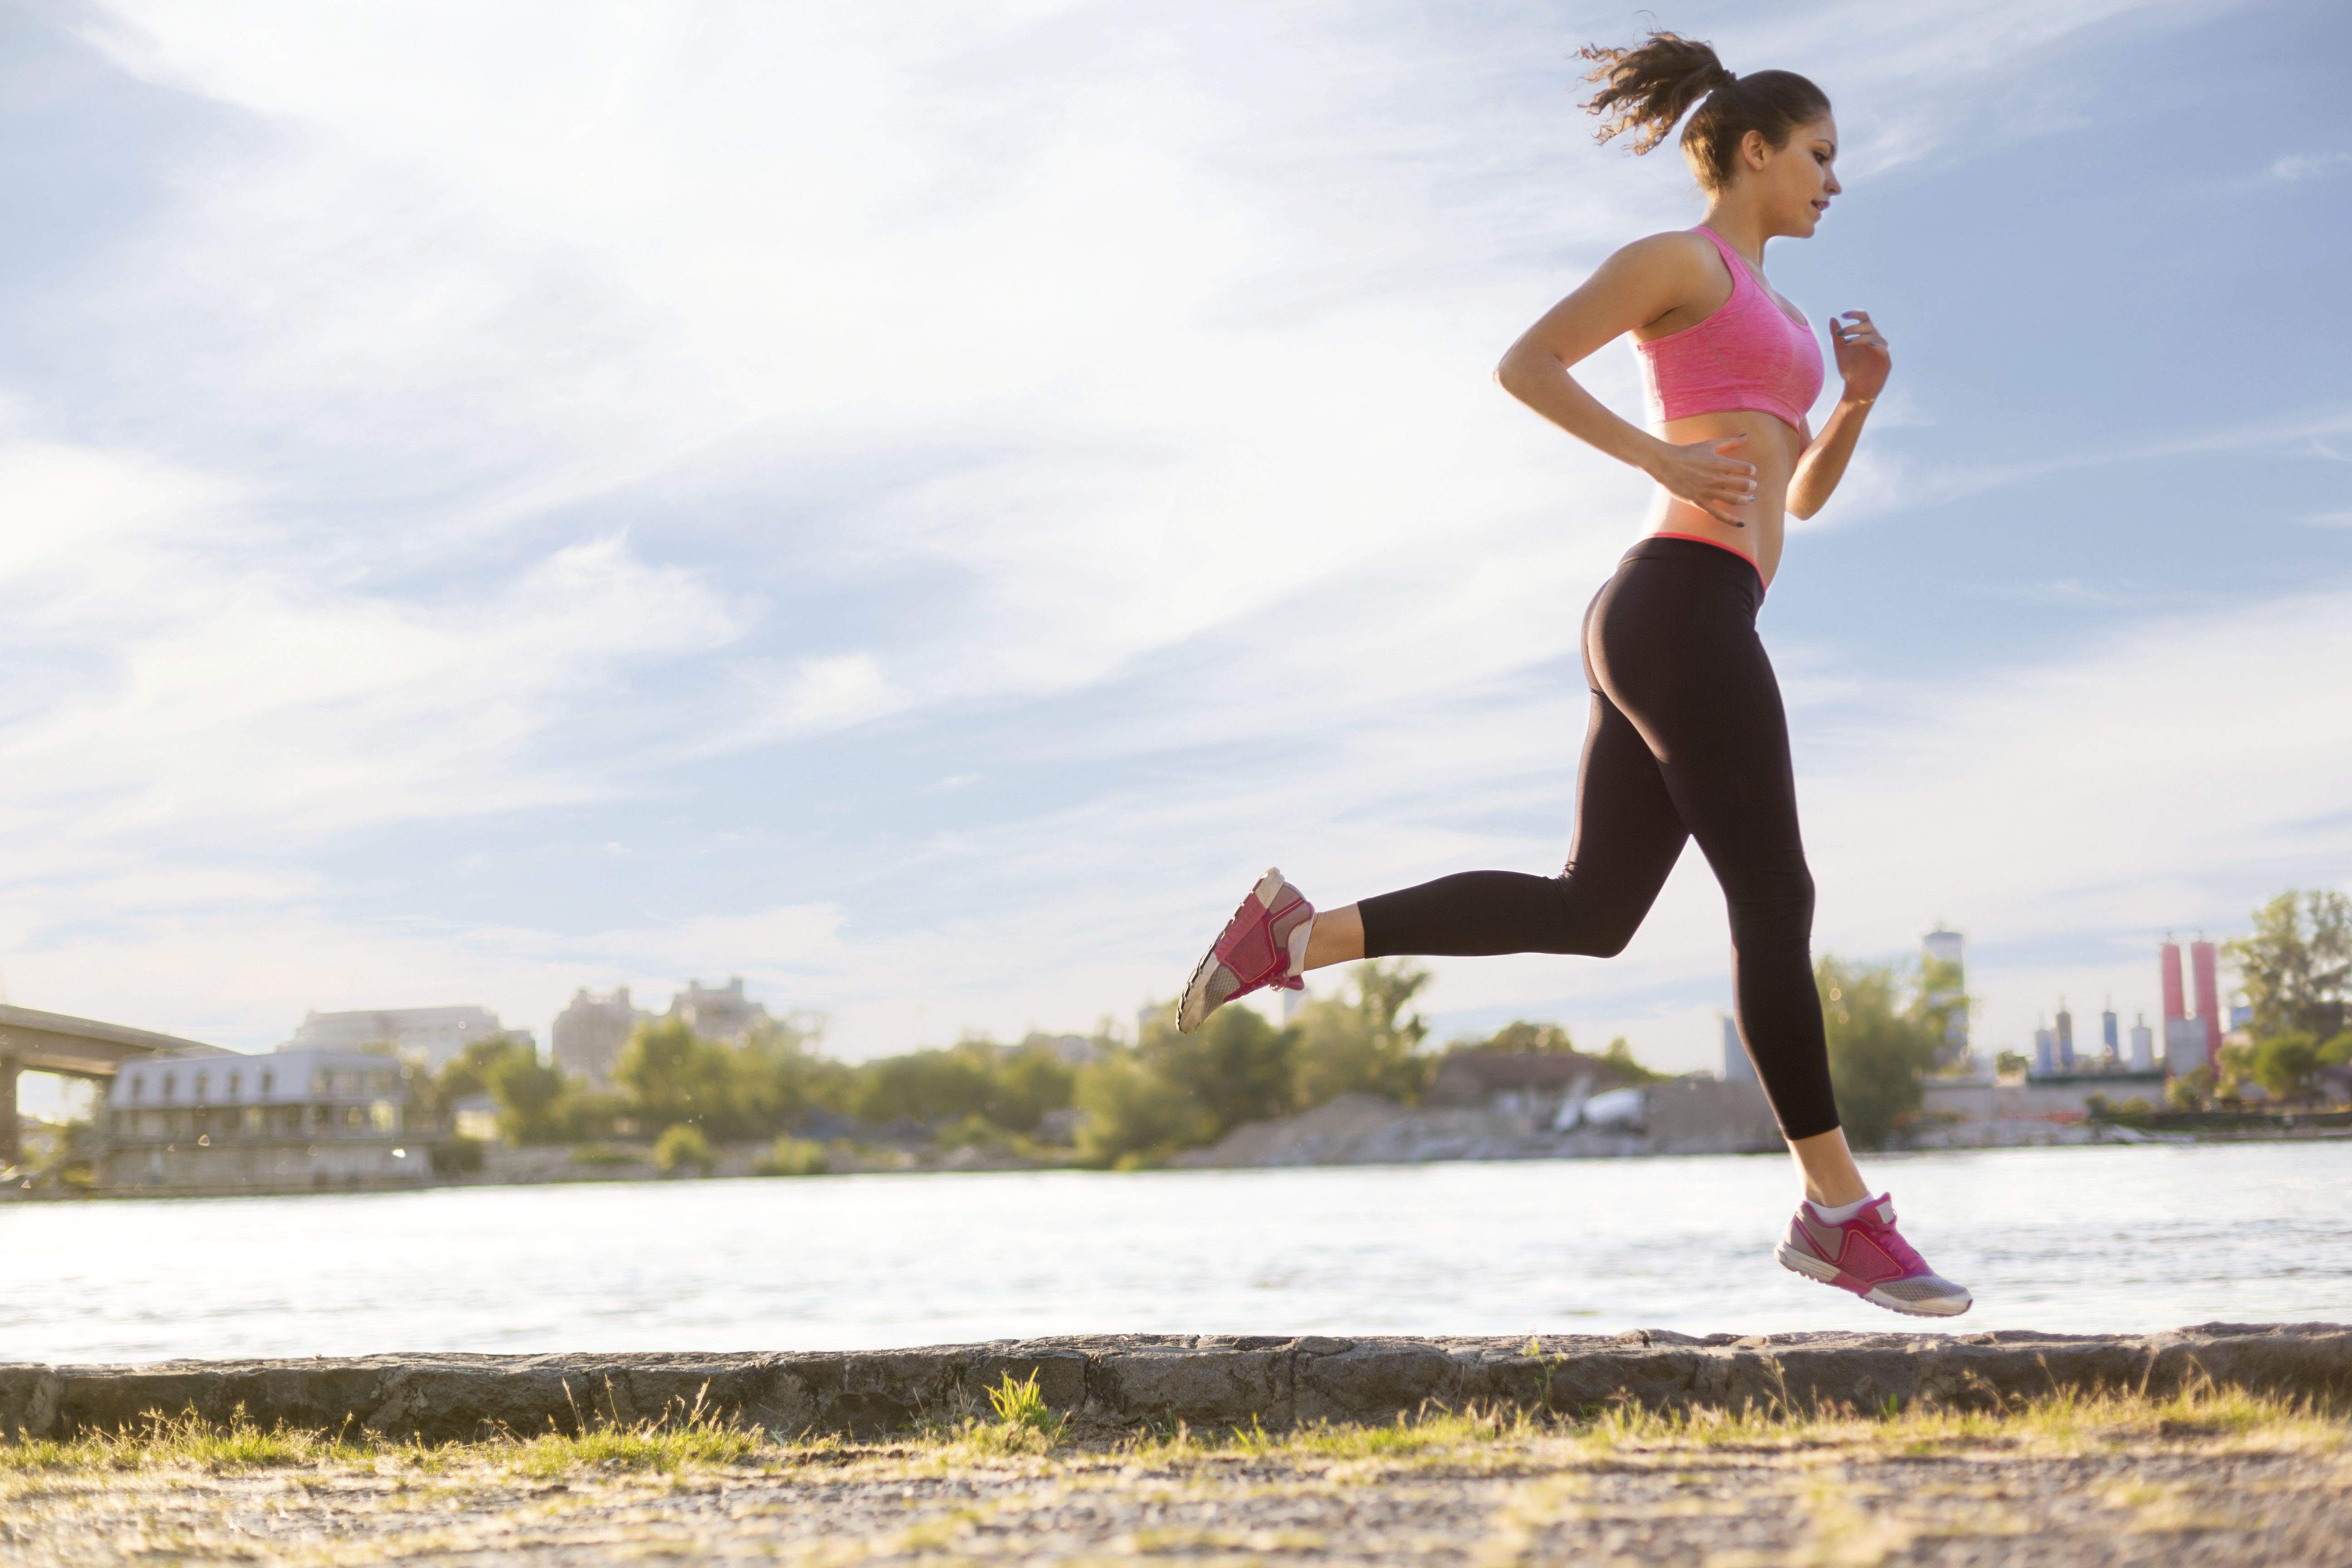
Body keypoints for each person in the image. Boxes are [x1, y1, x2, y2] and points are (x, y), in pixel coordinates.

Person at [1174, 30, 1969, 1317]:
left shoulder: (1774, 315)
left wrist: (1857, 404)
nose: (1835, 180)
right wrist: (1657, 462)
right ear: (1754, 150)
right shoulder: (1681, 260)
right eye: (1821, 155)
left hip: (1695, 612)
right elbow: (1526, 364)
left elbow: (1795, 500)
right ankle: (1838, 1211)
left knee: (1594, 909)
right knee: (1776, 892)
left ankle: (1294, 934)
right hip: (1680, 603)